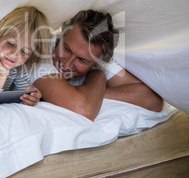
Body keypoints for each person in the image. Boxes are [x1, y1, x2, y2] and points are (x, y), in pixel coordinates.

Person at [31, 10, 164, 120]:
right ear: (62, 36)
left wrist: (94, 89)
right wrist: (99, 78)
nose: (66, 63)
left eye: (81, 60)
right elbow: (83, 110)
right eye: (66, 49)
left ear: (96, 63)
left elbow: (154, 101)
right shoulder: (40, 53)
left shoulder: (98, 57)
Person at [0, 6, 52, 106]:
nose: (14, 54)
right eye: (10, 44)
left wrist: (30, 96)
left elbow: (21, 94)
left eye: (25, 52)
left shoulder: (18, 65)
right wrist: (1, 75)